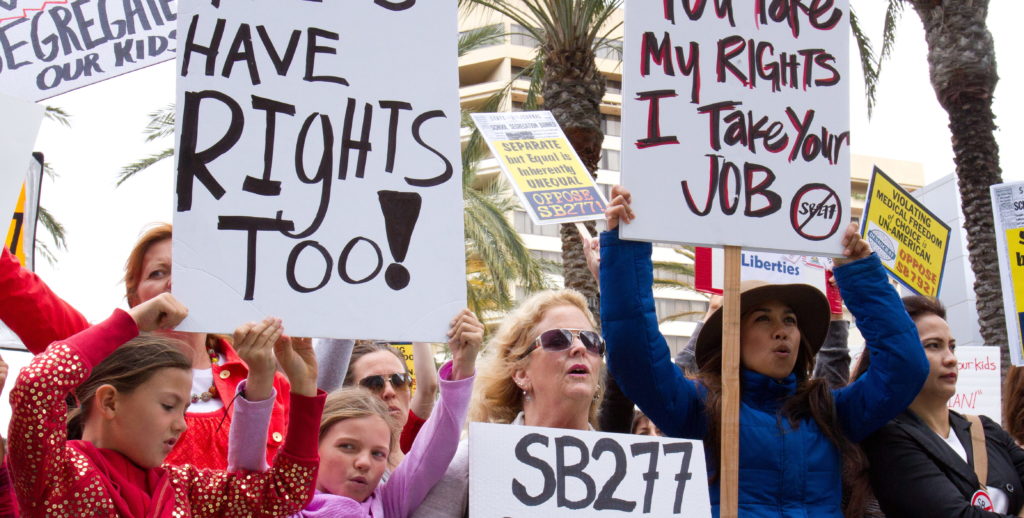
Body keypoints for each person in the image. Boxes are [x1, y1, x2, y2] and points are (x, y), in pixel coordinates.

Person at [600, 185, 929, 517]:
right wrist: (626, 246)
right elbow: (634, 356)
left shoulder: (829, 413)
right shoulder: (701, 407)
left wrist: (860, 272)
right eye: (762, 318)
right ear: (732, 336)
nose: (781, 330)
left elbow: (905, 368)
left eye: (790, 319)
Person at [0, 224, 293, 469]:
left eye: (189, 271)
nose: (174, 282)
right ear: (135, 300)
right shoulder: (103, 359)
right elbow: (18, 289)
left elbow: (284, 489)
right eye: (158, 273)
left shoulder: (266, 380)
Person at [7, 292, 324, 517]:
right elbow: (37, 383)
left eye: (184, 409)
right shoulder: (55, 472)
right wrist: (129, 322)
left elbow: (284, 493)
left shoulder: (182, 486)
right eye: (168, 406)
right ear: (110, 401)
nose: (182, 424)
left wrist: (305, 387)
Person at [228, 310, 481, 517]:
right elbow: (246, 467)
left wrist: (463, 366)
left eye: (378, 453)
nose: (364, 463)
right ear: (312, 448)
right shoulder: (277, 500)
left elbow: (436, 448)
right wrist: (260, 374)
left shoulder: (388, 504)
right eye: (348, 446)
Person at [412, 289, 605, 517]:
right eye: (558, 339)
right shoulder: (474, 460)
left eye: (591, 340)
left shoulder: (627, 471)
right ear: (521, 374)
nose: (580, 348)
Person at [862, 296, 1024, 516]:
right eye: (933, 346)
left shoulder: (985, 429)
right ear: (895, 355)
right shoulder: (887, 438)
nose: (951, 359)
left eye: (952, 347)